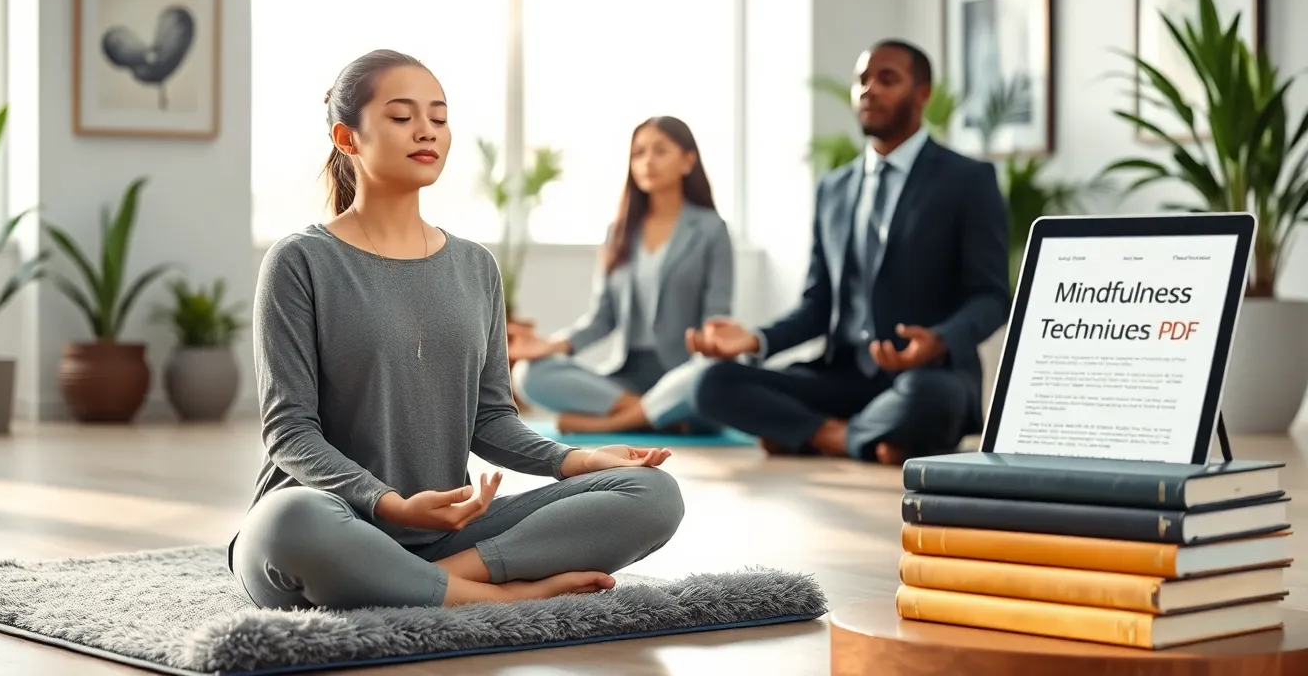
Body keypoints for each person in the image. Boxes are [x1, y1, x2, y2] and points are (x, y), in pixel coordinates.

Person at [230, 49, 685, 612]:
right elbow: (290, 432)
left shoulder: (475, 267)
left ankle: (431, 583)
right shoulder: (300, 261)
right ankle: (500, 597)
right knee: (291, 521)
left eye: (439, 118)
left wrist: (581, 460)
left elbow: (491, 420)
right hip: (330, 523)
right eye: (402, 117)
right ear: (347, 138)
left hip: (444, 536)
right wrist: (390, 504)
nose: (427, 130)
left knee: (653, 493)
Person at [686, 39, 1010, 465]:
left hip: (924, 375)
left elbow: (991, 297)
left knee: (933, 399)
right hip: (841, 377)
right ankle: (855, 438)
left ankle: (810, 433)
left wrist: (940, 340)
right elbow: (817, 305)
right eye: (862, 80)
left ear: (922, 94)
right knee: (712, 383)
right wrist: (756, 339)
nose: (869, 90)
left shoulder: (968, 180)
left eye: (887, 79)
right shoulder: (834, 189)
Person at [511, 116, 733, 436]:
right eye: (639, 153)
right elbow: (601, 320)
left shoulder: (712, 230)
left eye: (660, 151)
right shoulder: (618, 233)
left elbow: (717, 317)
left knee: (713, 379)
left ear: (688, 161)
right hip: (627, 376)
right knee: (529, 374)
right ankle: (656, 414)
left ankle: (614, 422)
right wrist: (550, 346)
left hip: (685, 372)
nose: (647, 161)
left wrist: (711, 349)